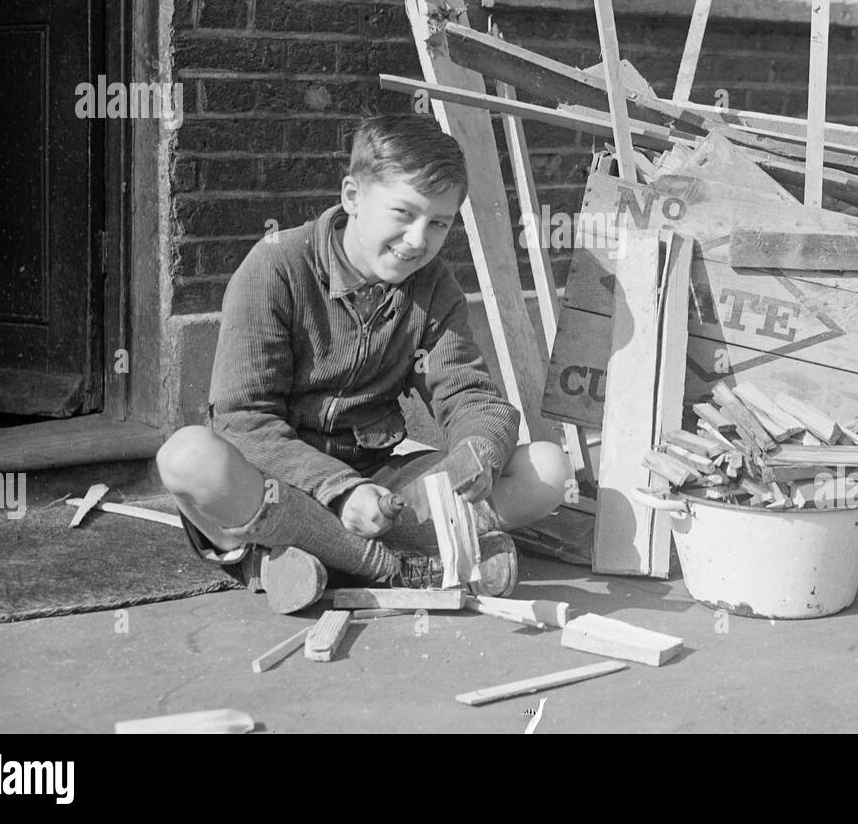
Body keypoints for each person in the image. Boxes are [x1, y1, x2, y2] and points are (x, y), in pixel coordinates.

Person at [156, 114, 571, 612]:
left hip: (379, 492)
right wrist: (338, 490)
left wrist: (479, 451)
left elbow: (469, 396)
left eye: (438, 223)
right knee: (186, 457)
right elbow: (243, 423)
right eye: (403, 213)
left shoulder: (433, 285)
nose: (418, 240)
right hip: (277, 483)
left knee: (547, 468)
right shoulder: (275, 268)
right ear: (353, 196)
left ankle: (299, 559)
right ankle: (394, 567)